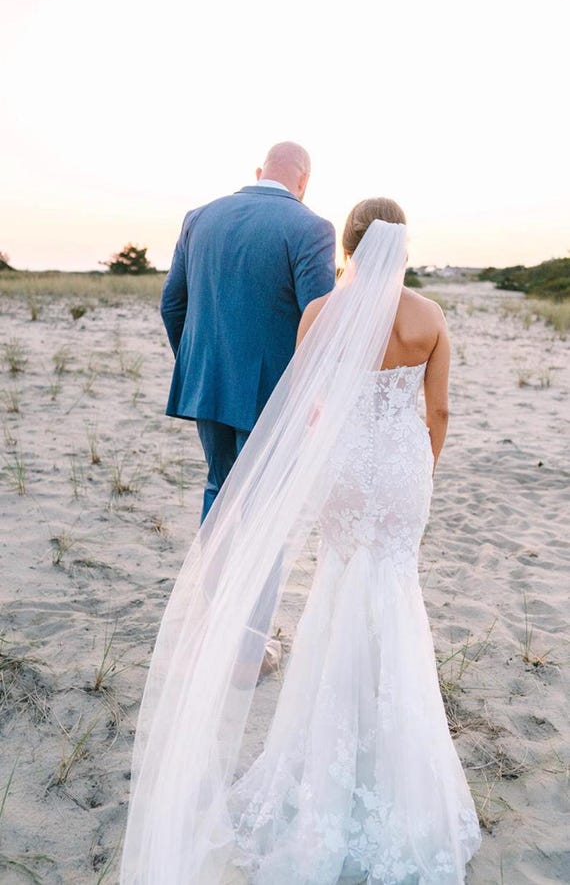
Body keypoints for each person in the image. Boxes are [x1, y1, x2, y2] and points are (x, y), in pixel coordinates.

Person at [121, 199, 481, 884]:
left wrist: (334, 451)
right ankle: (390, 751)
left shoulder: (322, 314)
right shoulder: (431, 318)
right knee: (394, 592)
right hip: (402, 469)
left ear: (347, 246)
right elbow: (439, 409)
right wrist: (420, 464)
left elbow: (309, 403)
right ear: (401, 246)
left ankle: (326, 744)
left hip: (343, 467)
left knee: (338, 586)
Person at [160, 141, 336, 521]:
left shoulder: (199, 217)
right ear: (304, 180)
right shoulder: (312, 228)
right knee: (265, 501)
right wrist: (316, 390)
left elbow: (172, 304)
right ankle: (257, 584)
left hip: (208, 383)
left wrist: (198, 366)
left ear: (260, 172)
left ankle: (211, 580)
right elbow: (321, 321)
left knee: (218, 487)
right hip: (273, 393)